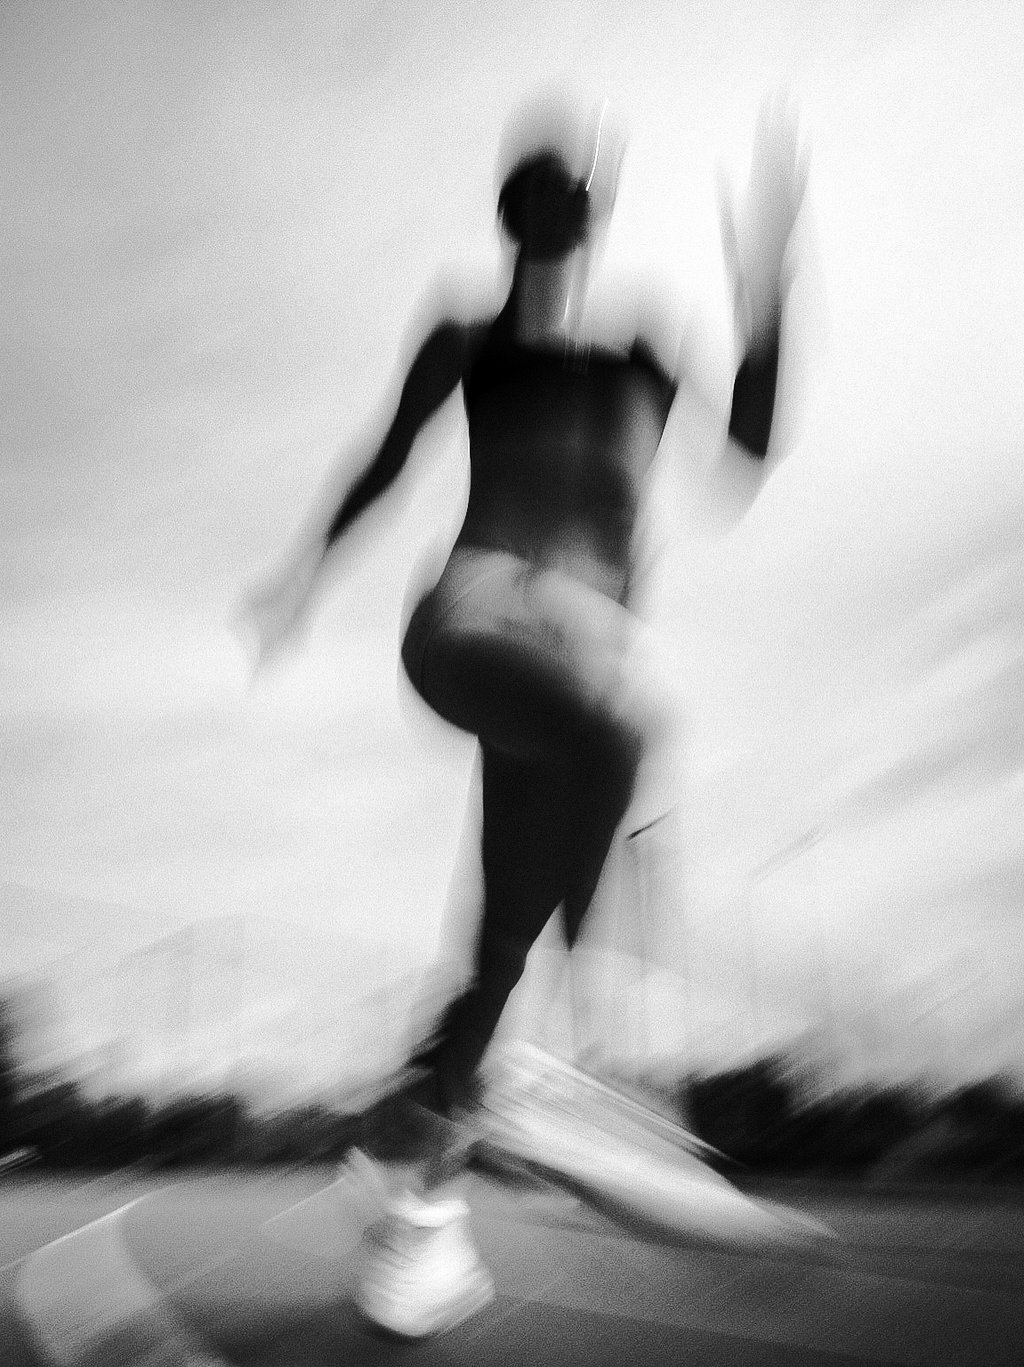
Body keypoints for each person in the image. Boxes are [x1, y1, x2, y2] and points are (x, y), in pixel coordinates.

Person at [242, 86, 812, 1337]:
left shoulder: (642, 348)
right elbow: (386, 455)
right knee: (629, 713)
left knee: (498, 950)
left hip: (574, 670)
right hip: (481, 615)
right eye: (538, 190)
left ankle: (414, 1210)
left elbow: (749, 447)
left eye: (579, 191)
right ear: (512, 214)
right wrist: (303, 570)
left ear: (595, 213)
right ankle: (594, 1076)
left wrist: (769, 296)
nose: (560, 209)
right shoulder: (470, 338)